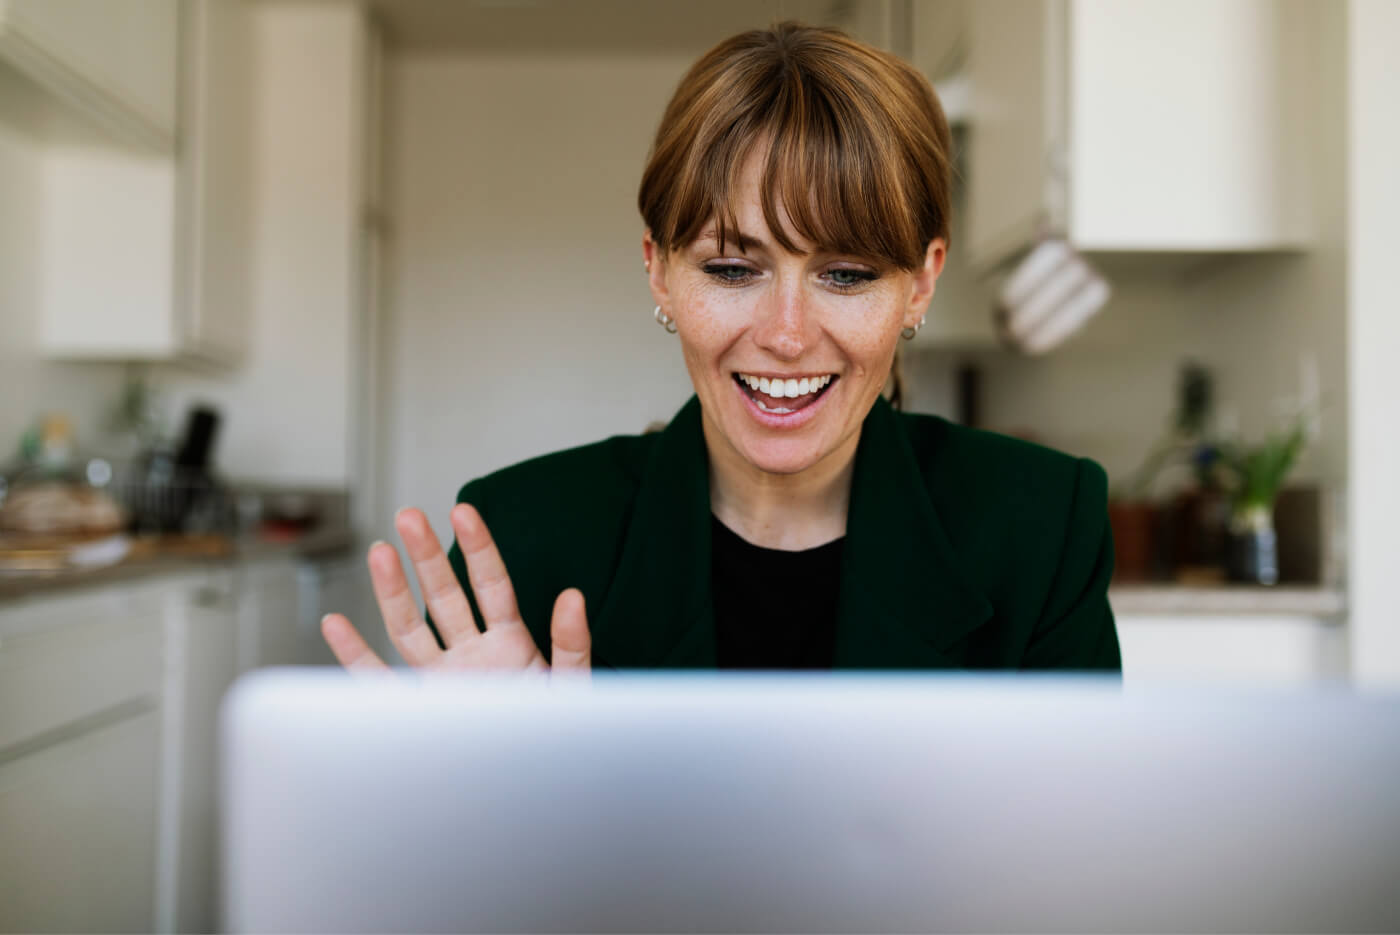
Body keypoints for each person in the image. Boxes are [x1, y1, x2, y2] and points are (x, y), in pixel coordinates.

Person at [321, 21, 1122, 675]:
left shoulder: (1042, 528)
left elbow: (1081, 858)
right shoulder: (525, 538)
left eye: (845, 274)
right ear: (659, 273)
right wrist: (487, 791)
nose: (785, 333)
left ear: (919, 284)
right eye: (733, 268)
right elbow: (447, 869)